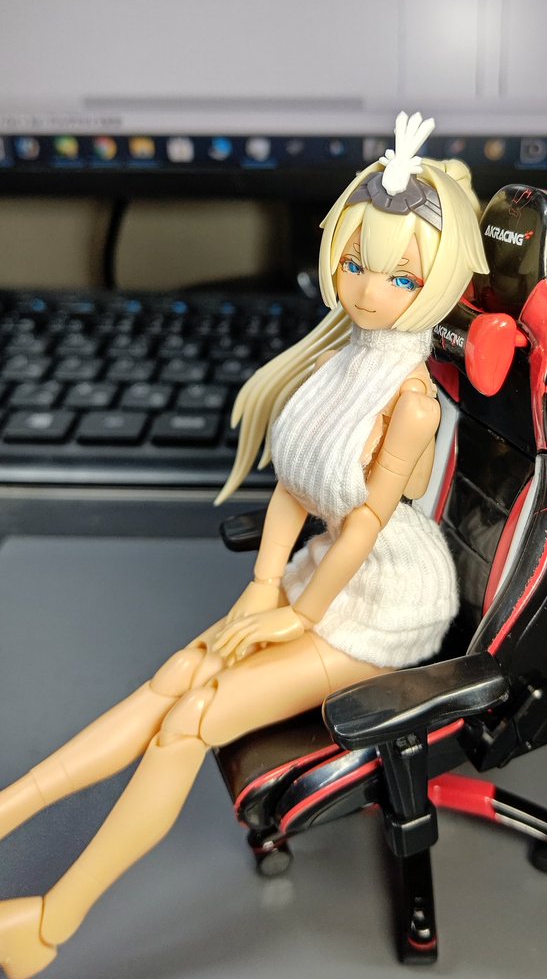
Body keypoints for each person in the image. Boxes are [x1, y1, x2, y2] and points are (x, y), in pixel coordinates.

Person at [0, 112, 489, 979]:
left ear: (437, 284)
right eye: (354, 263)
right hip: (322, 572)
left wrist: (296, 616)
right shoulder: (339, 357)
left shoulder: (412, 400)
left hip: (384, 604)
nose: (368, 289)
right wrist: (265, 584)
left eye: (400, 276)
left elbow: (366, 522)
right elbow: (297, 483)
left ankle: (48, 922)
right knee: (177, 676)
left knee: (190, 721)